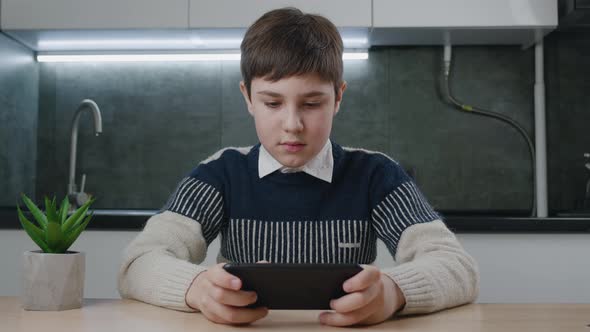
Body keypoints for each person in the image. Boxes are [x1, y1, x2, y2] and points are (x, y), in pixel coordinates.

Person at [118, 7, 479, 327]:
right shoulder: (220, 174)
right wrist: (196, 289)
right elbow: (139, 262)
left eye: (311, 103)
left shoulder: (375, 175)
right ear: (247, 98)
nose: (292, 124)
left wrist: (394, 292)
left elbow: (457, 266)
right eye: (272, 103)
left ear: (338, 97)